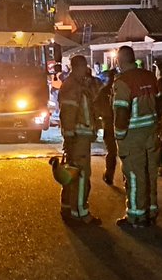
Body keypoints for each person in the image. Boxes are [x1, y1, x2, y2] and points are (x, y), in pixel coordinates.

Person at [111, 46, 160, 227]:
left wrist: (119, 135)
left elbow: (121, 111)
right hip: (152, 131)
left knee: (133, 175)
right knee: (150, 173)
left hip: (133, 135)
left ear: (119, 60)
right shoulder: (149, 76)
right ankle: (151, 210)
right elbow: (160, 102)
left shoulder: (123, 82)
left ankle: (136, 217)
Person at [58, 55, 101, 224]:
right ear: (78, 67)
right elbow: (68, 114)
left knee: (72, 173)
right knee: (81, 175)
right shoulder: (72, 86)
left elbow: (96, 93)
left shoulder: (78, 85)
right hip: (78, 137)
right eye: (84, 67)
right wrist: (69, 138)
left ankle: (68, 207)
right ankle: (81, 213)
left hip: (78, 136)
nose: (86, 70)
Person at [95, 68, 118, 185]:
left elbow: (96, 106)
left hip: (108, 123)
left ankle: (109, 175)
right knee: (125, 152)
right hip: (122, 123)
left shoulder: (103, 91)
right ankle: (127, 180)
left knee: (112, 151)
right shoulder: (121, 88)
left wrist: (101, 116)